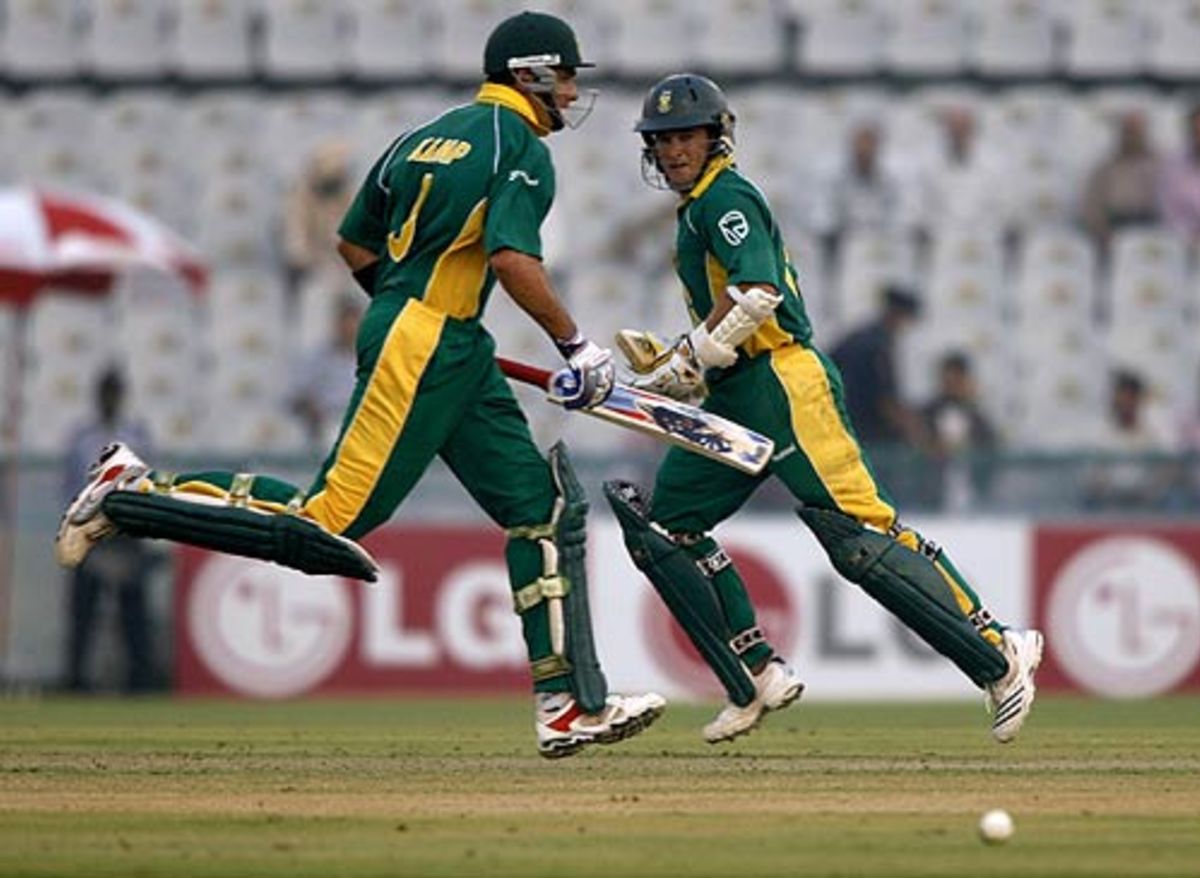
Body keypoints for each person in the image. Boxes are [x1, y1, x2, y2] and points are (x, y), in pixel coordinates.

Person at [55, 11, 664, 758]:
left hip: (445, 338)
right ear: (530, 73)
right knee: (326, 523)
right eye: (566, 76)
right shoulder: (523, 151)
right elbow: (510, 258)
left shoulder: (420, 137)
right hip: (429, 340)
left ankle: (568, 704)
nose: (571, 93)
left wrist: (401, 302)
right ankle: (130, 494)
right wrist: (575, 344)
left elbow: (352, 240)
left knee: (541, 511)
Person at [606, 73, 1043, 746]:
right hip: (739, 392)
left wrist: (688, 358)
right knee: (668, 533)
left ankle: (998, 649)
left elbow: (758, 294)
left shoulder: (727, 195)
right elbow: (728, 318)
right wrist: (684, 370)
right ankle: (754, 672)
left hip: (784, 382)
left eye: (685, 136)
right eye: (661, 141)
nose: (671, 151)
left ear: (716, 136)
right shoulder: (695, 208)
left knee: (859, 535)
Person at [61, 367, 157, 693]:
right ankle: (76, 680)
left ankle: (140, 680)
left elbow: (145, 483)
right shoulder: (82, 436)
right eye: (105, 392)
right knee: (83, 611)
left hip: (126, 531)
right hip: (90, 531)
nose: (109, 399)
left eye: (113, 392)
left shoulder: (136, 434)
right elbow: (71, 485)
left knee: (134, 613)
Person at [830, 284, 926, 452]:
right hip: (866, 434)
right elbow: (885, 403)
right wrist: (916, 432)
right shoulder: (877, 346)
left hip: (839, 426)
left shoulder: (856, 336)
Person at [1083, 368, 1181, 509]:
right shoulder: (1100, 436)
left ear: (1138, 399)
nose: (1125, 404)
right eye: (1121, 397)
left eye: (1130, 397)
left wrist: (1148, 495)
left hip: (1147, 507)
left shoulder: (1154, 435)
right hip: (1109, 508)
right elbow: (1092, 479)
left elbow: (1167, 472)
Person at [282, 139, 357, 313]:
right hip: (310, 266)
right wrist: (307, 260)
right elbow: (296, 242)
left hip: (340, 262)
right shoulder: (300, 196)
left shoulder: (348, 193)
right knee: (315, 294)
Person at [921, 350, 998, 511]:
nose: (951, 386)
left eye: (957, 381)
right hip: (931, 496)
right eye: (948, 381)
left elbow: (990, 453)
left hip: (972, 496)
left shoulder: (978, 419)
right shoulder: (925, 415)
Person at [1080, 109, 1162, 252]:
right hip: (1115, 230)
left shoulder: (1161, 166)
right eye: (1128, 131)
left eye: (1136, 131)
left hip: (1152, 229)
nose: (1132, 137)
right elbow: (1092, 209)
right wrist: (1105, 235)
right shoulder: (1105, 170)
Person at [288, 294, 362, 449]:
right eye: (346, 322)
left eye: (354, 322)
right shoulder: (318, 358)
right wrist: (312, 410)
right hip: (326, 422)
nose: (350, 328)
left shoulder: (373, 358)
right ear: (337, 324)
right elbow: (298, 397)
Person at [1158, 100, 1200, 249]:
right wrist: (1190, 235)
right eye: (1196, 133)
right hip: (1184, 245)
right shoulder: (1172, 166)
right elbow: (1170, 214)